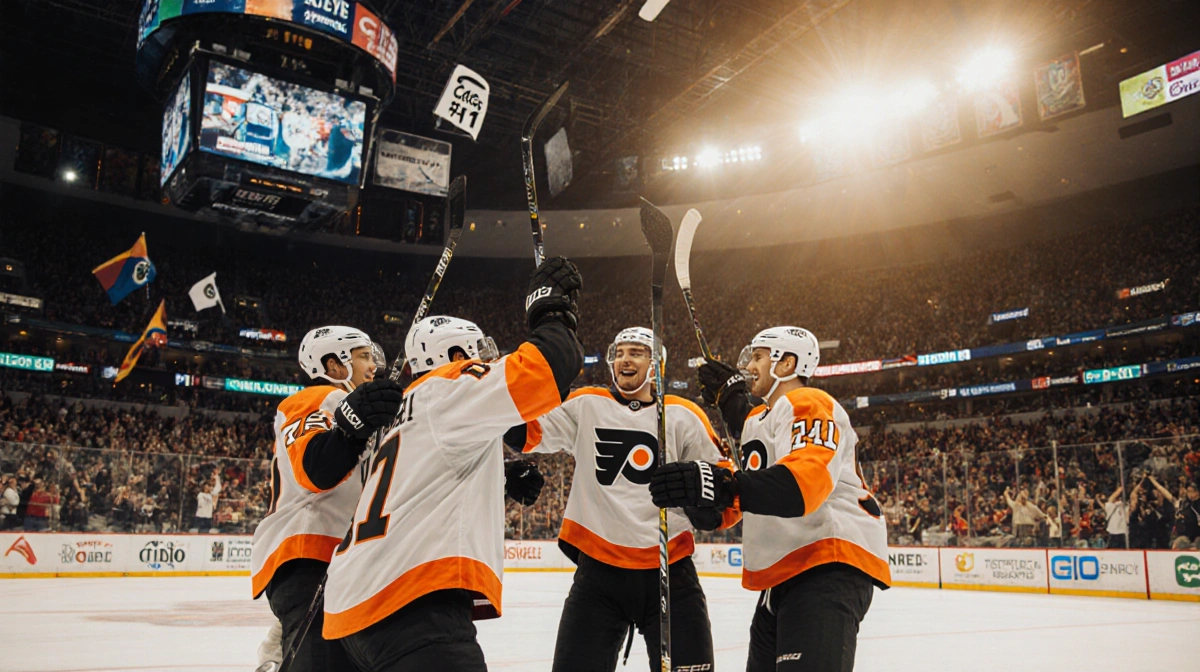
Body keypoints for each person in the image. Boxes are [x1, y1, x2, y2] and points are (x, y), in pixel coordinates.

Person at [322, 257, 584, 672]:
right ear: (456, 353)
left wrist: (501, 475)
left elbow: (520, 429)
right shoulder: (451, 385)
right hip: (411, 603)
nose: (484, 359)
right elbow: (548, 367)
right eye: (478, 351)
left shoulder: (411, 409)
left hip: (354, 610)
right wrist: (550, 311)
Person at [651, 326, 890, 672]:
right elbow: (751, 432)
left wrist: (720, 485)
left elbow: (800, 486)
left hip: (826, 563)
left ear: (786, 363)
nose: (748, 364)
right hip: (784, 574)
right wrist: (728, 396)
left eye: (759, 357)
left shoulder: (811, 401)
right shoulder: (764, 417)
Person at [508, 326, 738, 672]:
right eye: (619, 353)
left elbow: (727, 496)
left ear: (656, 365)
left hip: (670, 571)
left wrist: (705, 499)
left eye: (636, 352)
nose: (624, 359)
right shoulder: (587, 404)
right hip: (599, 576)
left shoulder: (683, 414)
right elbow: (523, 431)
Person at [249, 326, 404, 672]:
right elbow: (316, 469)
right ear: (334, 366)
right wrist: (354, 423)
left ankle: (278, 649)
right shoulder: (318, 397)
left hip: (339, 564)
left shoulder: (364, 418)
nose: (373, 366)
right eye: (363, 356)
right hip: (308, 553)